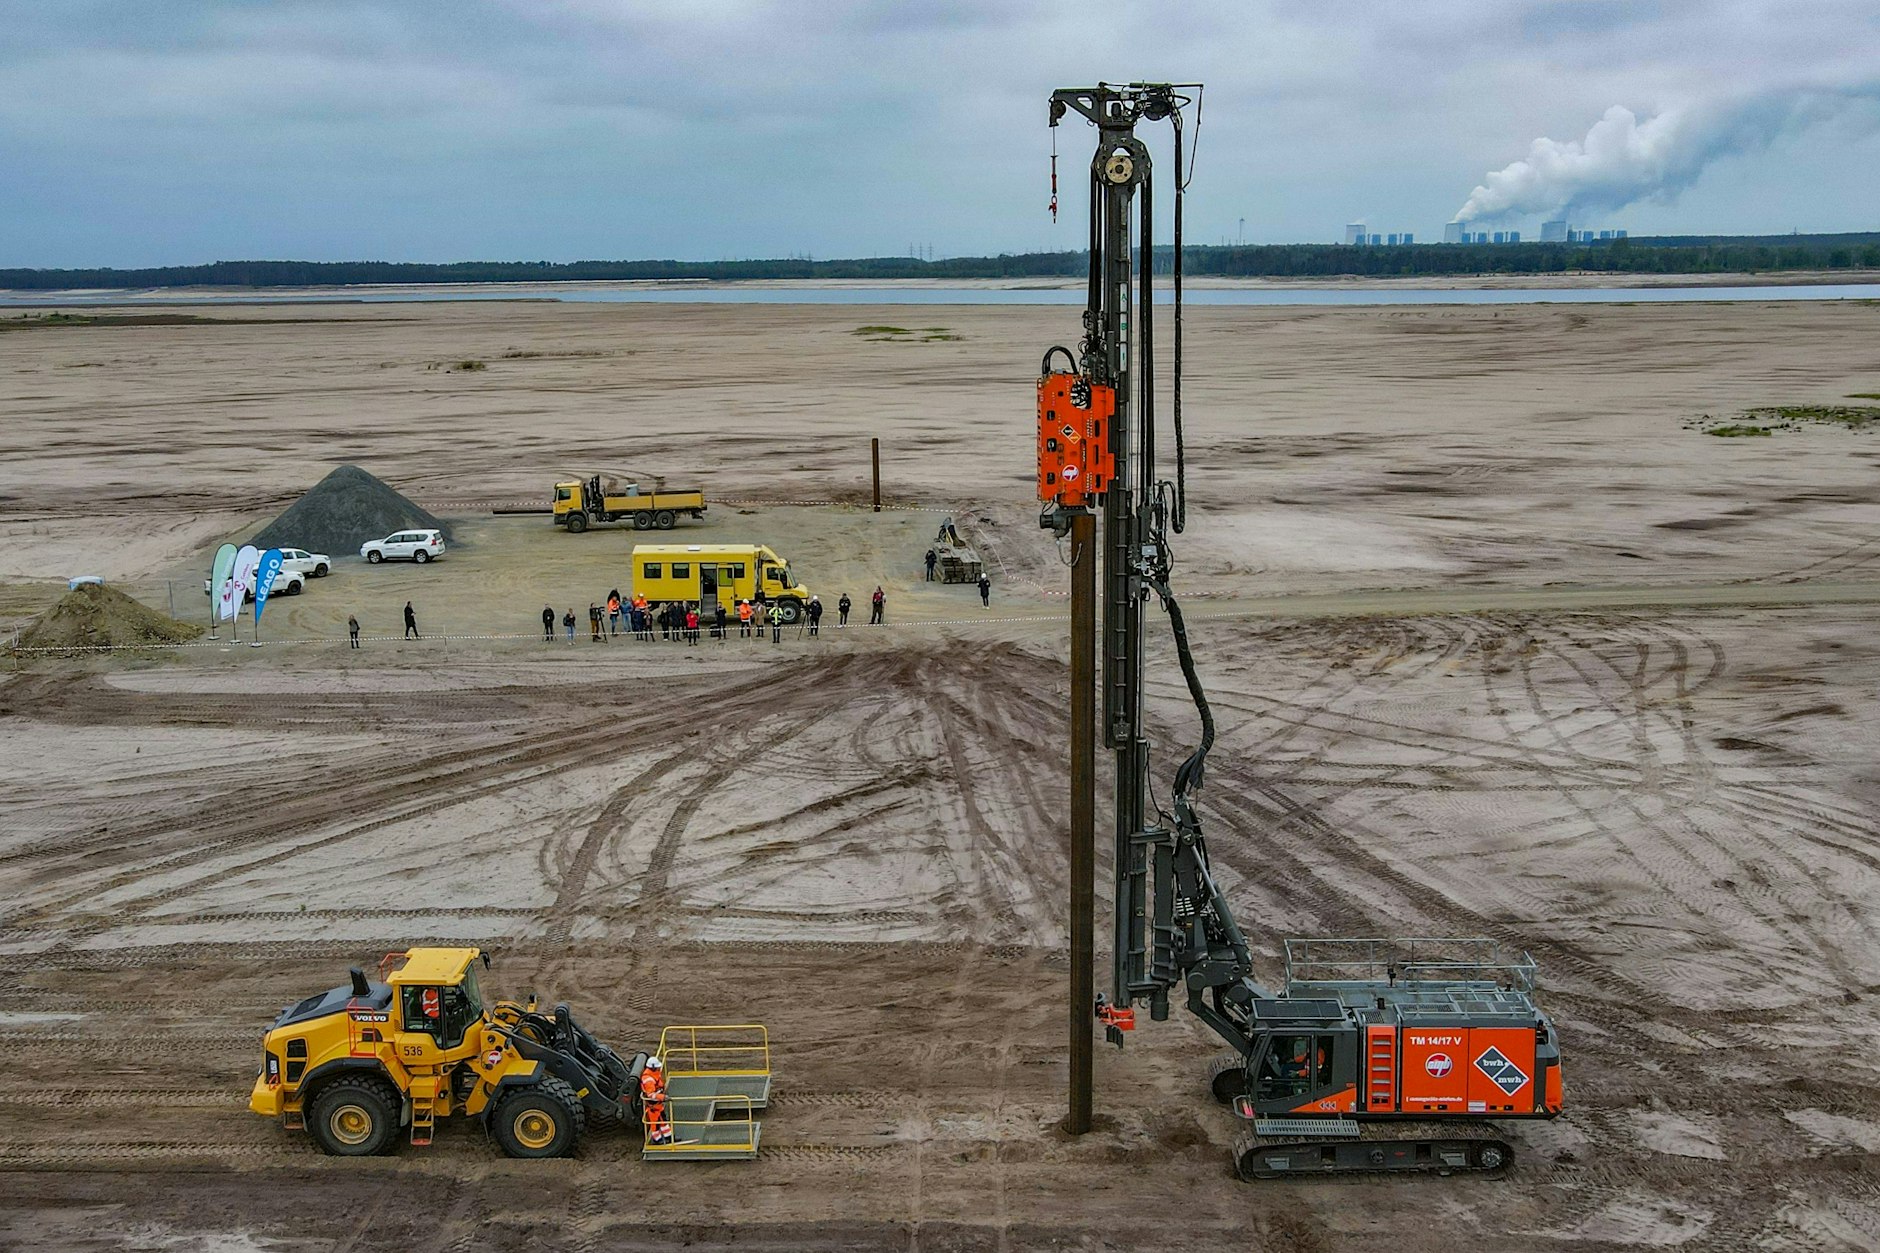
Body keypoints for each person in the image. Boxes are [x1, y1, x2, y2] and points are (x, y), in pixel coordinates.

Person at [640, 1055, 672, 1146]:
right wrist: (663, 1097)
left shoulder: (653, 1075)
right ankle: (657, 1140)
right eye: (657, 1067)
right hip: (653, 1106)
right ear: (653, 1067)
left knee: (663, 1121)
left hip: (658, 1105)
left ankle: (668, 1137)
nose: (659, 1068)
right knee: (655, 1125)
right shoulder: (648, 1079)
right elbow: (651, 1095)